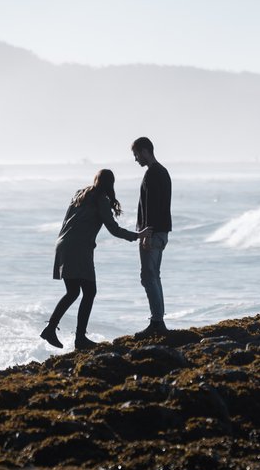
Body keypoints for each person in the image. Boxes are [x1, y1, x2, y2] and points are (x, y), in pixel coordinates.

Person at [42, 169, 137, 349]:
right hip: (78, 248)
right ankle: (78, 338)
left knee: (73, 291)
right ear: (111, 184)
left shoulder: (80, 194)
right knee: (89, 291)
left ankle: (52, 329)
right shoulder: (101, 199)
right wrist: (136, 236)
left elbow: (65, 221)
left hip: (63, 243)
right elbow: (113, 229)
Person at [132, 136, 171, 333]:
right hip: (161, 232)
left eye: (136, 154)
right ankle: (158, 320)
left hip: (152, 233)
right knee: (154, 276)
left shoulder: (153, 174)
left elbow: (151, 206)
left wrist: (146, 233)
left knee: (148, 277)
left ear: (145, 151)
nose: (136, 159)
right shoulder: (163, 172)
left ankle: (157, 322)